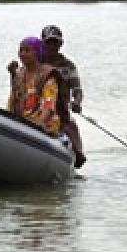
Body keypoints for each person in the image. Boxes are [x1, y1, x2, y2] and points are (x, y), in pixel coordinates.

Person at [40, 24, 87, 168]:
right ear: (42, 44)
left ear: (61, 44)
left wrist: (76, 102)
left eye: (55, 42)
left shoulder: (68, 66)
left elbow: (77, 89)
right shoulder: (36, 63)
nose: (52, 46)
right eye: (49, 42)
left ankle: (78, 154)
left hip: (61, 110)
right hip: (38, 108)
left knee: (71, 125)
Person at [7, 36, 64, 136]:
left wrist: (38, 125)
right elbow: (13, 102)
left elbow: (49, 106)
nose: (23, 54)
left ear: (37, 53)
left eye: (27, 50)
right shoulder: (19, 75)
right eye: (21, 50)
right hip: (23, 123)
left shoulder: (47, 75)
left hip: (44, 126)